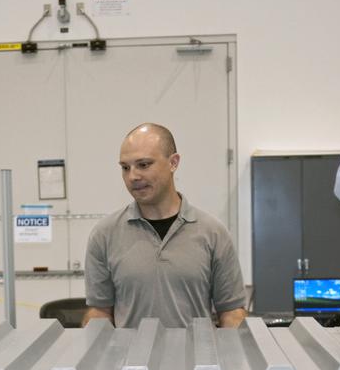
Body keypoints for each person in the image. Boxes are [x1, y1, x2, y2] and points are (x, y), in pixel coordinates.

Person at [84, 122, 247, 328]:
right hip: (131, 351)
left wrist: (234, 346)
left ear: (173, 163)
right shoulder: (104, 234)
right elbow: (99, 312)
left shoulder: (213, 233)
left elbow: (232, 313)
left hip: (195, 350)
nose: (133, 176)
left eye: (144, 165)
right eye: (125, 167)